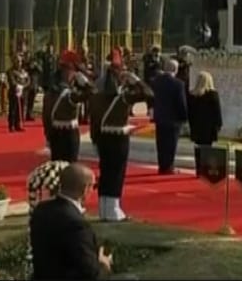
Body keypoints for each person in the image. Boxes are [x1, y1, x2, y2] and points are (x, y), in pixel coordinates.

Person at [89, 59, 153, 221]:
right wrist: (136, 79)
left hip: (102, 137)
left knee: (106, 172)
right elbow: (149, 94)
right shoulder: (122, 97)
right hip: (118, 137)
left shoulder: (97, 95)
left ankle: (104, 209)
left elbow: (94, 119)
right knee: (117, 173)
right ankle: (113, 210)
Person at [29, 163, 113, 280]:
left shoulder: (41, 210)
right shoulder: (77, 225)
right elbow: (90, 274)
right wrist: (103, 264)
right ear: (85, 189)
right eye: (93, 186)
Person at [46, 50, 94, 162]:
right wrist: (85, 82)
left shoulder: (51, 92)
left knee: (57, 168)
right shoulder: (70, 95)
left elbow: (46, 117)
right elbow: (93, 92)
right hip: (69, 134)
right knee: (71, 169)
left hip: (54, 133)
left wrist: (49, 135)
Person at [149, 58, 188, 175]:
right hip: (173, 119)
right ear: (175, 70)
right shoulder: (178, 84)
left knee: (161, 143)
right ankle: (169, 166)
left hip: (160, 116)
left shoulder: (156, 81)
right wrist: (184, 117)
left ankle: (162, 165)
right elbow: (181, 103)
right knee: (171, 144)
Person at [187, 71, 223, 178]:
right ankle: (206, 169)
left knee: (198, 148)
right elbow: (217, 112)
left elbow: (190, 113)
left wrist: (191, 125)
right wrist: (219, 125)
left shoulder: (192, 95)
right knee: (207, 149)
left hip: (196, 126)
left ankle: (199, 170)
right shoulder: (213, 95)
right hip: (209, 127)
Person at [6, 52, 30, 132]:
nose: (19, 63)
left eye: (20, 61)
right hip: (14, 93)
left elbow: (28, 80)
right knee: (13, 109)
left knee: (21, 110)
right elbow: (12, 81)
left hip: (22, 93)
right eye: (17, 61)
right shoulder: (10, 71)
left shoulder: (23, 71)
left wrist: (23, 86)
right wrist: (17, 86)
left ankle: (18, 125)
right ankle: (11, 125)